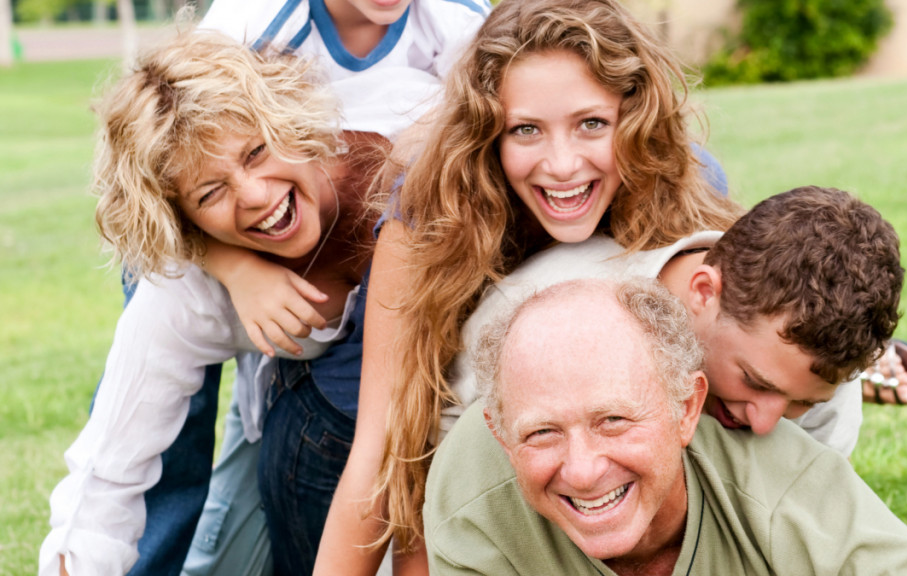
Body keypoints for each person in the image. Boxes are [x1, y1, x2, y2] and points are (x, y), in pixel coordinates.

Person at [312, 0, 742, 573]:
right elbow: (390, 452)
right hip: (332, 420)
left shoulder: (681, 181)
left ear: (632, 118)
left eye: (592, 123)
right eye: (526, 130)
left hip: (543, 441)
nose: (562, 165)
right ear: (488, 133)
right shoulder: (430, 216)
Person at [104, 2, 490, 575]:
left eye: (259, 153)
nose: (254, 190)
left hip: (375, 296)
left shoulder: (456, 24)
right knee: (159, 302)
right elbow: (155, 167)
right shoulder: (253, 22)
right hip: (278, 329)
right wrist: (234, 268)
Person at [39, 31, 384, 576]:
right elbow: (107, 475)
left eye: (256, 151)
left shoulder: (385, 185)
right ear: (184, 224)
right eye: (209, 193)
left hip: (391, 416)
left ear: (288, 121)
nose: (253, 194)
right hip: (291, 422)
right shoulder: (187, 290)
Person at [424, 278, 907, 575]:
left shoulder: (777, 481)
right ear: (500, 434)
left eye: (613, 421)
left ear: (687, 410)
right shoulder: (472, 500)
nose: (584, 470)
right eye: (542, 432)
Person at [446, 186, 903, 458]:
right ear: (705, 292)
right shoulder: (538, 310)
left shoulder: (828, 378)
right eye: (754, 382)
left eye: (799, 404)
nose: (767, 423)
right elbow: (456, 459)